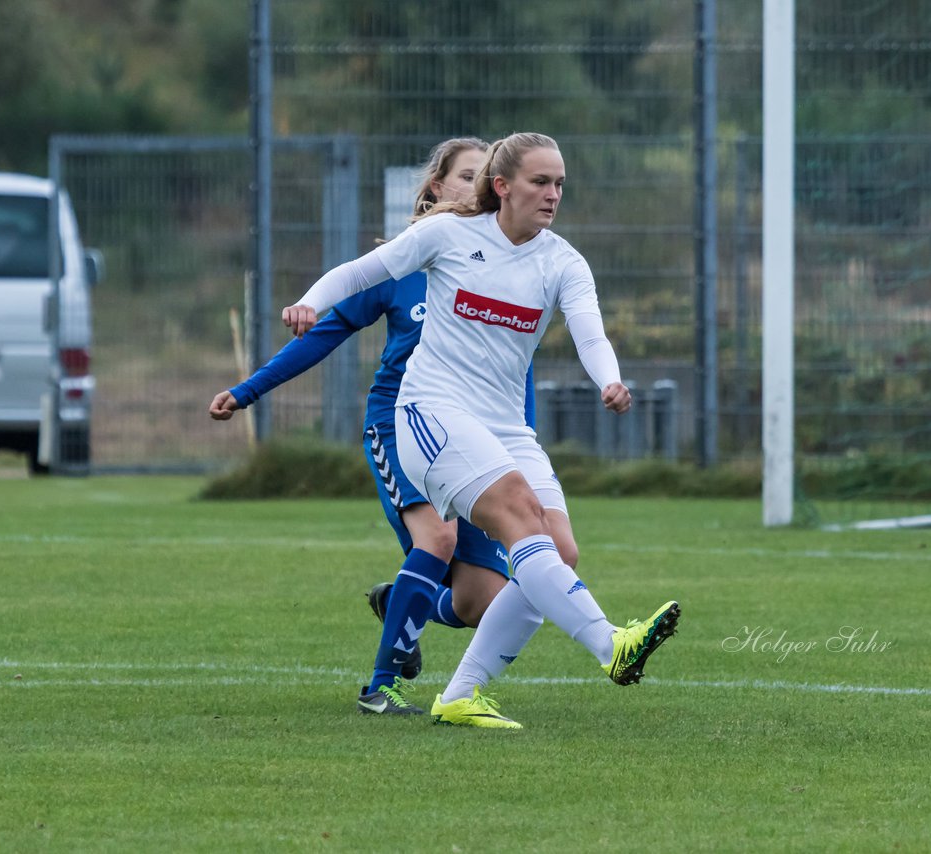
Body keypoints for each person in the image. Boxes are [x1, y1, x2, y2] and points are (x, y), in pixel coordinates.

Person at [281, 132, 681, 729]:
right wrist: (309, 301)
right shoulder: (449, 235)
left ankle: (462, 693)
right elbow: (361, 272)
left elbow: (590, 334)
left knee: (559, 554)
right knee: (521, 514)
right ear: (503, 186)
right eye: (541, 182)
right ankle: (611, 646)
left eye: (560, 184)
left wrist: (610, 380)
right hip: (430, 412)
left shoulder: (562, 261)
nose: (553, 195)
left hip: (502, 425)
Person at [210, 137, 575, 716]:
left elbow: (514, 371)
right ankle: (381, 688)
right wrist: (247, 390)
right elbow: (323, 334)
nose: (477, 189)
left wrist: (518, 454)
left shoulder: (515, 261)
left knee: (482, 600)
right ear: (435, 188)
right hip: (400, 424)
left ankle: (403, 599)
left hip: (478, 435)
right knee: (440, 538)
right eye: (466, 177)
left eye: (486, 178)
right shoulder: (407, 258)